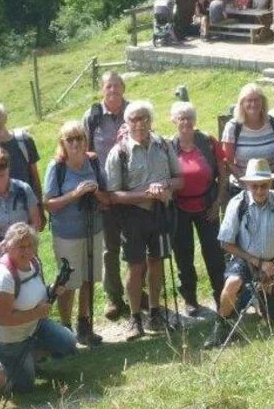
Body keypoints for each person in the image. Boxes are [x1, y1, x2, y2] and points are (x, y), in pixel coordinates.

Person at [203, 159, 274, 349]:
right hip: (244, 259)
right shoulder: (237, 203)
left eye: (263, 185)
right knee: (232, 284)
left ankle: (253, 300)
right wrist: (255, 261)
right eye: (254, 186)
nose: (259, 190)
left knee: (273, 323)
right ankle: (221, 326)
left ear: (271, 183)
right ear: (247, 184)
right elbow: (225, 243)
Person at [105, 100, 182, 339]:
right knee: (135, 267)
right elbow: (113, 195)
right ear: (126, 123)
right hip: (133, 216)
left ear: (150, 120)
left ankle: (156, 312)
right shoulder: (118, 152)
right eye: (133, 119)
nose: (139, 123)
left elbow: (179, 179)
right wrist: (145, 194)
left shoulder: (164, 145)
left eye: (143, 118)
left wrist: (165, 185)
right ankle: (135, 317)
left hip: (160, 213)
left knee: (156, 262)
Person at [0, 223, 73, 395]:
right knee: (23, 387)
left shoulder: (33, 263)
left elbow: (34, 294)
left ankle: (27, 362)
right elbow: (2, 319)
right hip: (8, 339)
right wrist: (37, 313)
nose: (26, 251)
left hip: (33, 328)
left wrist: (51, 290)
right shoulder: (2, 276)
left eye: (30, 246)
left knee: (68, 343)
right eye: (20, 247)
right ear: (8, 247)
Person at [42, 121, 108, 346]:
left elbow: (107, 199)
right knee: (68, 282)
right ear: (63, 143)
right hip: (66, 234)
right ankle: (65, 328)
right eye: (70, 139)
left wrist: (96, 192)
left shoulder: (94, 161)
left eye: (79, 138)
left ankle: (84, 324)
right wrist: (75, 194)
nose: (76, 143)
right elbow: (48, 204)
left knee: (89, 278)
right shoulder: (57, 167)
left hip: (93, 230)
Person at [168, 102, 227, 313]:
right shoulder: (168, 146)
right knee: (183, 256)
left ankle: (222, 296)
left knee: (214, 255)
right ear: (174, 121)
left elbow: (222, 173)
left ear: (195, 120)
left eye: (189, 117)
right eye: (181, 118)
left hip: (207, 206)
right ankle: (190, 299)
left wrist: (218, 203)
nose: (185, 122)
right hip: (179, 209)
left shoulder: (209, 142)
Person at [83, 71, 130, 320]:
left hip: (132, 190)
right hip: (104, 194)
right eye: (108, 86)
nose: (112, 90)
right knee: (109, 248)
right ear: (102, 89)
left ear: (123, 87)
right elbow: (84, 156)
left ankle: (137, 291)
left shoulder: (134, 111)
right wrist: (97, 193)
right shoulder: (92, 117)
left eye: (116, 85)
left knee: (136, 244)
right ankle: (113, 297)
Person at [222, 83, 274, 197]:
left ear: (262, 102)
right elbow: (228, 162)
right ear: (242, 103)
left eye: (256, 100)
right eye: (249, 100)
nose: (253, 104)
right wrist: (249, 184)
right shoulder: (233, 127)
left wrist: (269, 182)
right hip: (242, 189)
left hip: (271, 187)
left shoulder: (273, 123)